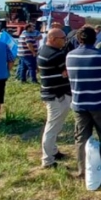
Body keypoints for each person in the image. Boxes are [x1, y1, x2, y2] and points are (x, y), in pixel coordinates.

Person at [66, 26, 101, 185]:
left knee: (81, 138)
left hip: (79, 103)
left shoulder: (70, 56)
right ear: (96, 38)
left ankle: (83, 171)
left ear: (79, 39)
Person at [38, 28, 71, 169]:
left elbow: (65, 72)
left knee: (56, 125)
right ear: (52, 38)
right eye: (62, 38)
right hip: (57, 95)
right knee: (52, 127)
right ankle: (47, 160)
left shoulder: (43, 50)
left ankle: (52, 151)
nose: (65, 40)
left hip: (54, 93)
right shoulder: (56, 55)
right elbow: (68, 72)